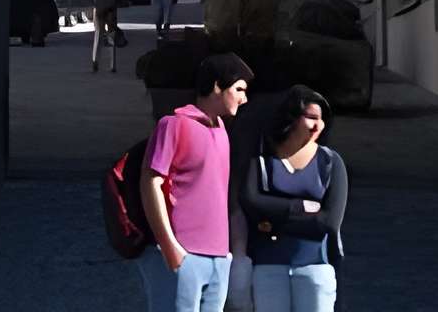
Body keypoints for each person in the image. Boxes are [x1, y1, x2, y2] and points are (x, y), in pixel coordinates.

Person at [140, 52, 250, 312]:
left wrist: (228, 254)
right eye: (239, 89)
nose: (244, 98)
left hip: (219, 258)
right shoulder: (173, 124)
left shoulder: (221, 129)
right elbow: (151, 183)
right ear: (216, 87)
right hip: (184, 253)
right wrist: (170, 248)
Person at [235, 86, 346, 311]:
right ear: (292, 118)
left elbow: (328, 222)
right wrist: (300, 207)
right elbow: (250, 201)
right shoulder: (263, 161)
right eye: (311, 117)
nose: (318, 125)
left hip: (316, 265)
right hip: (268, 266)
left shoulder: (330, 162)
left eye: (322, 119)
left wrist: (271, 222)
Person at [92, 0, 127, 73]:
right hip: (111, 9)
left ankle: (95, 60)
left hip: (99, 9)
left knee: (98, 35)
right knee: (111, 36)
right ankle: (112, 65)